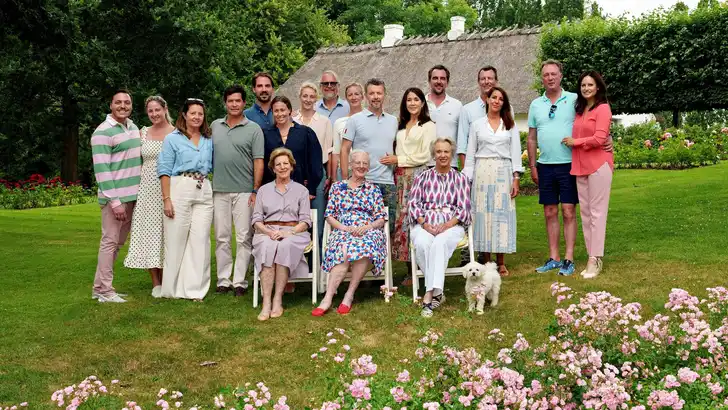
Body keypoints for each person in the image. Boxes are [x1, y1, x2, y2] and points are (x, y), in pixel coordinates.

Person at [312, 150, 387, 316]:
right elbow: (329, 216)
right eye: (357, 163)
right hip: (343, 228)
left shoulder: (373, 189)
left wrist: (367, 227)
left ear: (368, 167)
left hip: (367, 230)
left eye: (365, 163)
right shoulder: (338, 187)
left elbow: (381, 218)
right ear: (351, 165)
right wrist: (345, 228)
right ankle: (328, 297)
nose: (361, 166)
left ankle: (349, 294)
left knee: (366, 246)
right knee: (344, 249)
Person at [462, 87, 523, 276]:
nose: (496, 101)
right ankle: (487, 261)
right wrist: (467, 180)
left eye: (500, 99)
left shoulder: (510, 124)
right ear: (487, 100)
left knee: (501, 215)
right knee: (483, 215)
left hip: (503, 171)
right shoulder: (477, 125)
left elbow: (515, 153)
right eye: (493, 97)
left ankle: (501, 261)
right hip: (482, 172)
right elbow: (470, 155)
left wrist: (516, 178)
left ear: (504, 103)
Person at [157, 98, 214, 300]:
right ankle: (171, 289)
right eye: (193, 113)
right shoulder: (172, 139)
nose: (197, 117)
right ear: (184, 115)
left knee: (200, 241)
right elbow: (164, 170)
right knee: (175, 240)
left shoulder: (208, 138)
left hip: (203, 188)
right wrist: (167, 199)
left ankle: (194, 289)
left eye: (200, 114)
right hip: (179, 187)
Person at [211, 85, 264, 297]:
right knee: (221, 237)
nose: (234, 104)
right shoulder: (215, 126)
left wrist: (255, 189)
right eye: (230, 101)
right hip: (219, 190)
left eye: (238, 101)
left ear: (243, 103)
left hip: (244, 191)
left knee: (243, 237)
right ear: (225, 103)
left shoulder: (254, 129)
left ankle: (240, 281)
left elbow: (258, 161)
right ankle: (223, 279)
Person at [409, 137, 471, 318]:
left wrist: (446, 225)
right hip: (426, 223)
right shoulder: (422, 177)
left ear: (452, 154)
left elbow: (464, 209)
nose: (442, 155)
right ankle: (438, 292)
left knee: (439, 243)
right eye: (439, 152)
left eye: (446, 151)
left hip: (451, 224)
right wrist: (425, 224)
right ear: (433, 155)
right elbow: (413, 204)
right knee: (422, 243)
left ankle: (429, 294)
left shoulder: (460, 178)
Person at [561, 71, 613, 279]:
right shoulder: (580, 110)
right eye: (583, 85)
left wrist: (576, 142)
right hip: (580, 167)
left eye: (590, 85)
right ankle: (592, 256)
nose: (586, 88)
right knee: (586, 214)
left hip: (599, 166)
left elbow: (600, 138)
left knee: (597, 213)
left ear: (598, 87)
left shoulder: (603, 108)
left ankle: (595, 258)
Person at [91, 89, 142, 303]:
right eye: (118, 102)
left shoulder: (133, 128)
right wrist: (114, 201)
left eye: (127, 102)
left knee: (117, 244)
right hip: (116, 200)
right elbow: (102, 171)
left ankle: (100, 287)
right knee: (109, 242)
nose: (123, 106)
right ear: (111, 105)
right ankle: (105, 291)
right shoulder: (102, 132)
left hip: (131, 198)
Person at [252, 148, 312, 321]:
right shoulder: (263, 190)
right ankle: (266, 302)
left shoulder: (301, 190)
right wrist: (268, 232)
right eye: (278, 164)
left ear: (291, 166)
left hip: (294, 232)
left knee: (285, 245)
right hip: (267, 232)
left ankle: (277, 299)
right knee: (267, 246)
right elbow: (256, 219)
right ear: (273, 168)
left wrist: (288, 232)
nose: (282, 167)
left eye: (286, 163)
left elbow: (305, 221)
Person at [124, 95, 175, 297]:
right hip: (147, 189)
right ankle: (156, 282)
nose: (154, 114)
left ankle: (170, 278)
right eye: (150, 111)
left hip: (169, 188)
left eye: (157, 110)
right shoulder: (143, 133)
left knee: (168, 233)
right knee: (150, 234)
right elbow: (132, 161)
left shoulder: (176, 132)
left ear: (165, 109)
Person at [379, 87, 434, 266]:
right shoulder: (400, 125)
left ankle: (421, 265)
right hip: (400, 177)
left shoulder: (428, 126)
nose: (412, 103)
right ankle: (408, 267)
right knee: (401, 219)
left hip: (418, 176)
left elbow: (426, 155)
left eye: (416, 99)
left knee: (417, 217)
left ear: (422, 103)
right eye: (409, 100)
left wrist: (398, 159)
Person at [340, 78, 397, 229]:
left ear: (385, 95)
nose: (376, 97)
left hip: (387, 183)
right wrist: (345, 180)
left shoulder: (393, 121)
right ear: (365, 96)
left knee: (389, 227)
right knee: (362, 227)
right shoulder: (354, 120)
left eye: (379, 93)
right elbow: (344, 149)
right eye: (372, 93)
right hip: (363, 183)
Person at [293, 82, 334, 251]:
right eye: (305, 96)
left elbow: (329, 151)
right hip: (295, 174)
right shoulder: (292, 120)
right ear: (300, 97)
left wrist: (329, 177)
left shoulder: (324, 122)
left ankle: (319, 261)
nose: (308, 100)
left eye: (311, 96)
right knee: (297, 218)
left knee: (318, 219)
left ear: (316, 98)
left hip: (318, 174)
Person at [263, 96, 323, 198]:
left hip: (301, 189)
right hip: (273, 191)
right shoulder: (266, 134)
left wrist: (311, 189)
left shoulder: (305, 133)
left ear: (289, 110)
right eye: (276, 111)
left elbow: (315, 162)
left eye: (282, 110)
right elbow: (264, 163)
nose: (280, 114)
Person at [458, 66, 500, 167]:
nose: (486, 81)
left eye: (490, 78)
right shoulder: (467, 110)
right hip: (476, 167)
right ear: (478, 82)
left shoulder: (507, 109)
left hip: (501, 167)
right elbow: (462, 146)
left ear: (496, 81)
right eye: (483, 79)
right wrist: (466, 172)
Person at [425, 65, 462, 169]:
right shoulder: (420, 104)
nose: (439, 81)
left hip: (450, 165)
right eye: (435, 78)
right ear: (429, 81)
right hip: (424, 164)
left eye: (442, 78)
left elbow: (462, 138)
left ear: (447, 82)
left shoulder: (457, 105)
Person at [332, 83, 364, 181]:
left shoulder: (369, 119)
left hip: (364, 169)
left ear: (362, 96)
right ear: (346, 98)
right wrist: (334, 179)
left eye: (356, 94)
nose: (353, 97)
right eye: (350, 95)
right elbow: (336, 152)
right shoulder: (339, 122)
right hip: (344, 170)